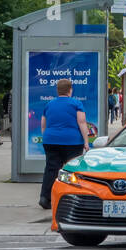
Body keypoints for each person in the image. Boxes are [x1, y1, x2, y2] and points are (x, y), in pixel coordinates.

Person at [38, 79, 89, 209]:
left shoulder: (49, 104)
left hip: (50, 141)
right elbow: (82, 123)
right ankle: (72, 199)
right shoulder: (76, 103)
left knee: (51, 168)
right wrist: (86, 142)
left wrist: (48, 137)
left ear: (58, 90)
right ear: (70, 90)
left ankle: (45, 198)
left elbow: (43, 125)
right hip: (71, 142)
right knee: (72, 170)